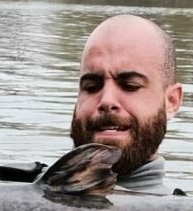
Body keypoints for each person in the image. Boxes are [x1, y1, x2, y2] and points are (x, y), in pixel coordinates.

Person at [69, 14, 183, 194]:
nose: (106, 100)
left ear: (171, 101)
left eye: (130, 86)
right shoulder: (14, 188)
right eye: (91, 87)